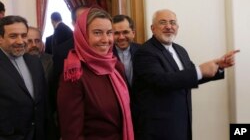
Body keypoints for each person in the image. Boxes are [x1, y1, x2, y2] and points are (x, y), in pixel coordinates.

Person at [131, 9, 239, 140]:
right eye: (163, 22)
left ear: (177, 27)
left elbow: (191, 77)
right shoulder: (145, 52)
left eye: (172, 23)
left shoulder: (180, 50)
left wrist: (219, 67)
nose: (169, 26)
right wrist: (199, 70)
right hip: (158, 129)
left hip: (182, 123)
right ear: (153, 28)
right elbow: (161, 81)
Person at [57, 8, 134, 140]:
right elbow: (72, 134)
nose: (106, 39)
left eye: (109, 33)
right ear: (82, 35)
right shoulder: (74, 74)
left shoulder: (116, 67)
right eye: (97, 33)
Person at [0, 15, 55, 140]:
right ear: (0, 38)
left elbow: (44, 103)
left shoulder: (34, 62)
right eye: (13, 36)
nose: (20, 41)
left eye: (24, 35)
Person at [112, 15, 140, 87]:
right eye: (116, 33)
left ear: (133, 33)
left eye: (125, 32)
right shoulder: (105, 54)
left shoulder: (143, 51)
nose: (121, 37)